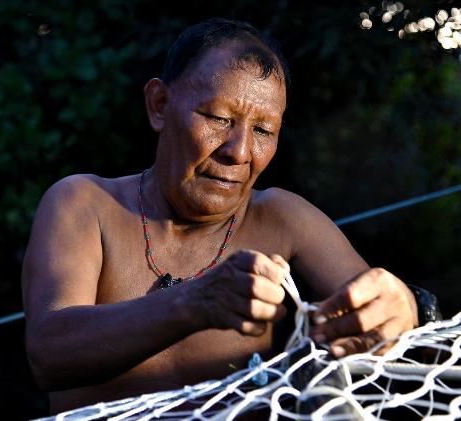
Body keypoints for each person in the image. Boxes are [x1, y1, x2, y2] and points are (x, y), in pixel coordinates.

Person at [21, 18, 419, 414]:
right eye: (218, 119)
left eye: (263, 130)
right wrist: (195, 302)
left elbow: (405, 340)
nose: (240, 151)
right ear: (159, 105)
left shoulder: (284, 219)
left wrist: (409, 308)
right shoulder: (84, 203)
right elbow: (50, 354)